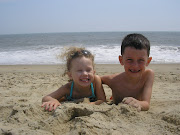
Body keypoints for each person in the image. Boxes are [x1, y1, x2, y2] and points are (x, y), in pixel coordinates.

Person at [42, 47, 106, 111]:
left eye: (88, 70)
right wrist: (54, 101)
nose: (85, 74)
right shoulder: (68, 88)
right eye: (79, 70)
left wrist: (89, 104)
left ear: (93, 72)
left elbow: (102, 100)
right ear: (70, 75)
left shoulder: (96, 81)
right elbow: (46, 98)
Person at [101, 33, 154, 111]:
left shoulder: (148, 75)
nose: (135, 66)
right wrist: (100, 98)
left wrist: (138, 103)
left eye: (141, 60)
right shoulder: (113, 80)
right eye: (130, 60)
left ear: (148, 61)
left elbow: (146, 104)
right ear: (121, 60)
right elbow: (95, 79)